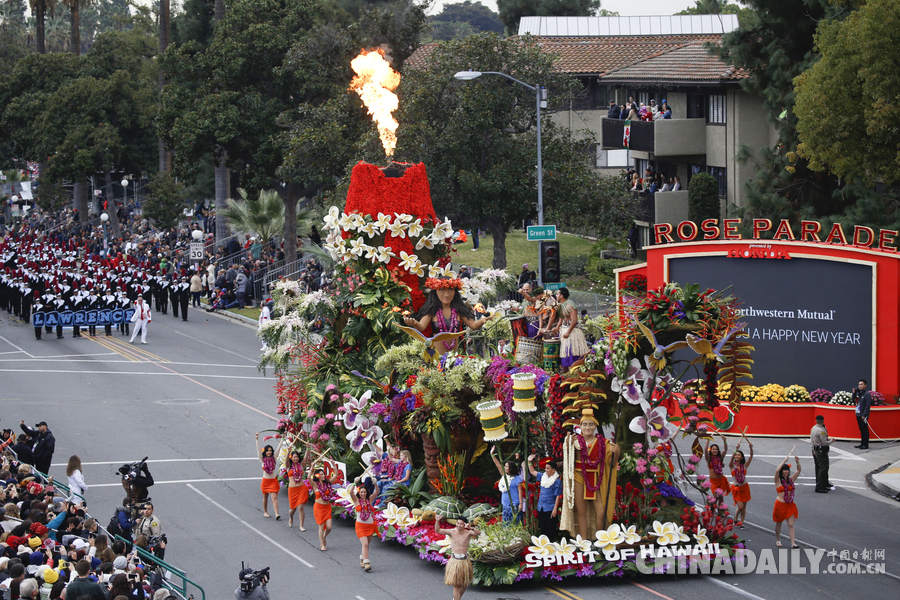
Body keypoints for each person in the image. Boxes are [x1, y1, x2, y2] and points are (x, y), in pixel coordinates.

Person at [561, 409, 620, 540]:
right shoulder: (575, 441)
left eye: (591, 424)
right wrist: (569, 444)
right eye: (585, 424)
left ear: (595, 426)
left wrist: (616, 454)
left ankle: (601, 539)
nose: (588, 427)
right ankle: (584, 542)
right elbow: (568, 457)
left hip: (595, 479)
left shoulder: (603, 443)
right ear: (580, 426)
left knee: (601, 512)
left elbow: (611, 465)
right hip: (578, 477)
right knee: (581, 512)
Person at [403, 278, 488, 353]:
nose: (447, 294)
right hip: (436, 357)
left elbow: (473, 325)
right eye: (442, 290)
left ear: (455, 292)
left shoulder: (458, 310)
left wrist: (484, 320)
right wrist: (414, 323)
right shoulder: (433, 311)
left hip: (455, 357)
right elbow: (421, 327)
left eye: (450, 290)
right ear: (435, 291)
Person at [434, 515, 481, 600]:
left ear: (464, 525)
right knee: (456, 586)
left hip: (465, 561)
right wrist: (437, 521)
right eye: (458, 523)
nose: (459, 525)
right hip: (455, 561)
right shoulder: (451, 532)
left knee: (464, 585)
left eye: (461, 524)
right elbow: (438, 530)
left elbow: (479, 533)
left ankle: (456, 599)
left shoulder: (468, 533)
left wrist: (471, 528)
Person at [552, 288, 590, 369]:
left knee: (572, 351)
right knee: (565, 351)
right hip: (564, 329)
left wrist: (568, 332)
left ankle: (575, 370)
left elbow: (574, 320)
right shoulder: (561, 305)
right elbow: (561, 318)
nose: (556, 295)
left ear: (562, 296)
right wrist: (557, 327)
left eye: (557, 294)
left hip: (572, 331)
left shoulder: (570, 305)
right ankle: (567, 370)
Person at [527, 454, 562, 540]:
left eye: (548, 468)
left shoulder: (557, 481)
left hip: (550, 507)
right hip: (541, 507)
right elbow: (532, 472)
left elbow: (558, 496)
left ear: (553, 470)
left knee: (550, 529)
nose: (545, 470)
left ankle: (551, 545)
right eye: (545, 468)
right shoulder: (543, 476)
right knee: (542, 527)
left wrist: (555, 509)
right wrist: (529, 462)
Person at [349, 477, 379, 572]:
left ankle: (362, 557)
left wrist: (375, 483)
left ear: (367, 492)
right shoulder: (356, 500)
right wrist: (354, 483)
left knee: (367, 545)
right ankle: (367, 563)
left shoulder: (369, 500)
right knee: (365, 544)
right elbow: (350, 493)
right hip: (360, 526)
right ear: (359, 493)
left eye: (364, 492)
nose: (363, 494)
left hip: (369, 525)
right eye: (361, 492)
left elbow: (377, 492)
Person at [489, 447, 525, 522]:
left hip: (515, 505)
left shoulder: (517, 478)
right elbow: (498, 465)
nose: (505, 468)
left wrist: (521, 504)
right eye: (505, 466)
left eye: (506, 466)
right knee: (506, 524)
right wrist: (492, 455)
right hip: (505, 505)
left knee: (515, 523)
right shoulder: (505, 476)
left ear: (511, 468)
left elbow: (519, 492)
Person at [773, 455, 800, 548]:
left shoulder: (791, 480)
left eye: (787, 470)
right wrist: (784, 461)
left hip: (789, 505)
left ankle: (793, 543)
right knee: (779, 523)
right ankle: (778, 539)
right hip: (780, 505)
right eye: (784, 470)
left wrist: (797, 462)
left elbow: (798, 471)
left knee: (790, 524)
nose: (786, 471)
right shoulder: (778, 480)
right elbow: (777, 471)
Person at [255, 433, 282, 520]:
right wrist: (256, 439)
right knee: (265, 497)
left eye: (270, 450)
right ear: (265, 452)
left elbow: (279, 448)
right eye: (267, 451)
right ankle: (265, 512)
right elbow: (258, 450)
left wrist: (283, 439)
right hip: (265, 481)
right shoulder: (262, 460)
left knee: (274, 497)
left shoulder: (274, 458)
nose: (269, 452)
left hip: (273, 481)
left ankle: (277, 513)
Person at [311, 466, 338, 551]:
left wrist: (334, 465)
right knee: (321, 527)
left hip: (327, 507)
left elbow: (336, 474)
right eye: (321, 474)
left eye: (323, 474)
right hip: (319, 507)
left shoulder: (328, 483)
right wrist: (311, 468)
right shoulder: (315, 485)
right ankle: (322, 544)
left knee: (329, 527)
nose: (323, 476)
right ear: (317, 476)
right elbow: (308, 477)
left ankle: (323, 537)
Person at [729, 441, 753, 528]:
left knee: (744, 506)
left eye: (739, 455)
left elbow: (751, 456)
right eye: (736, 455)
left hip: (745, 488)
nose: (737, 456)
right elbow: (731, 459)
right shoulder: (732, 466)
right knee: (740, 506)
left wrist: (750, 448)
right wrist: (736, 449)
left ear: (742, 457)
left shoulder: (745, 466)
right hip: (737, 489)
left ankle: (742, 522)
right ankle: (735, 517)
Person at [283, 448, 308, 530]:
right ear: (291, 458)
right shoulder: (288, 466)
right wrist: (288, 452)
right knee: (292, 509)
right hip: (292, 490)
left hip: (301, 488)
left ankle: (301, 525)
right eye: (294, 457)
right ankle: (291, 517)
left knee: (300, 507)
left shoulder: (301, 465)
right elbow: (286, 460)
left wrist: (307, 448)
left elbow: (305, 458)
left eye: (297, 457)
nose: (296, 458)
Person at [810, 415, 835, 492]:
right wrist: (831, 441)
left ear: (816, 421)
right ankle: (820, 486)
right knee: (823, 468)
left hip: (815, 449)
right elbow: (824, 442)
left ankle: (824, 483)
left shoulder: (814, 428)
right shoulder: (821, 430)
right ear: (823, 421)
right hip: (821, 451)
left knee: (819, 467)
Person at [852, 379, 871, 449]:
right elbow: (853, 400)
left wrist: (865, 414)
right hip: (858, 413)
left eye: (861, 384)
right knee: (861, 429)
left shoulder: (867, 394)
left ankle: (865, 444)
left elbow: (867, 405)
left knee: (864, 429)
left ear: (865, 385)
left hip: (863, 414)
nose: (860, 386)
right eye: (859, 384)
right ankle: (862, 443)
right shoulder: (859, 393)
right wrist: (854, 393)